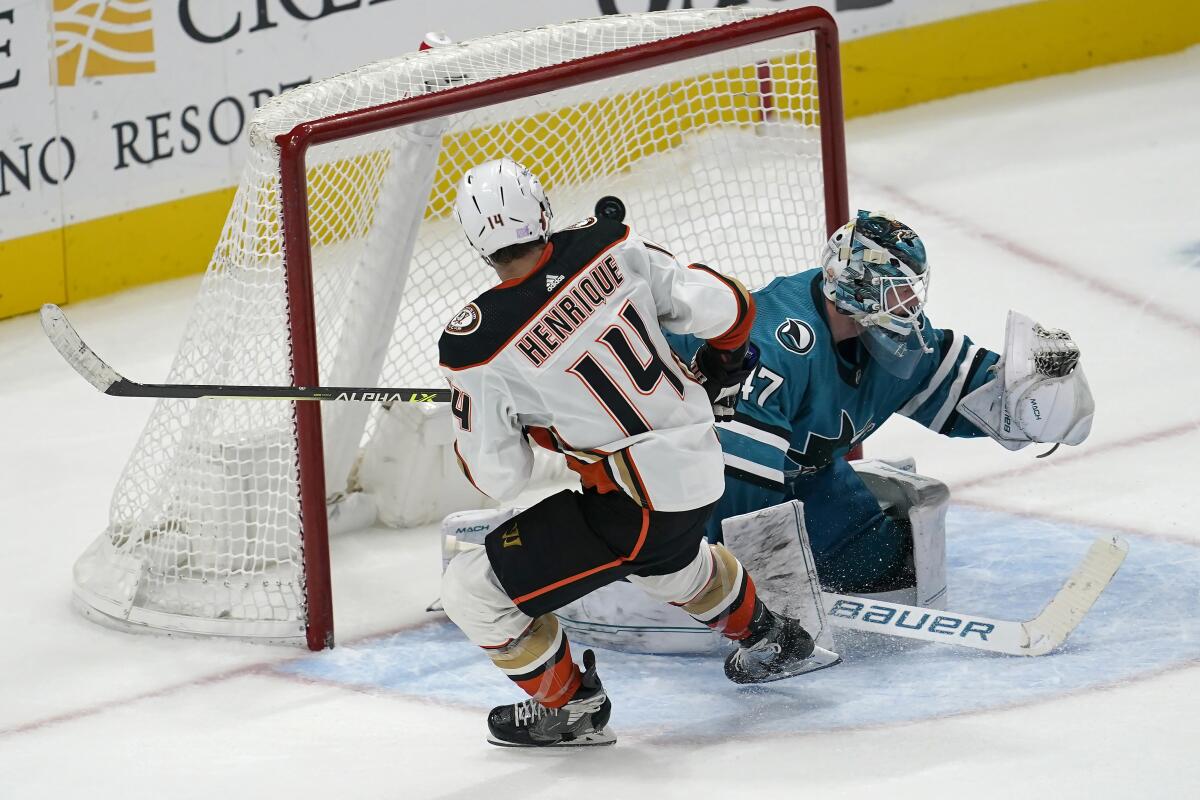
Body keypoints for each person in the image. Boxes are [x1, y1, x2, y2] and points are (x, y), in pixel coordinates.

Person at [436, 158, 839, 749]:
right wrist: (724, 365)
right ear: (542, 210)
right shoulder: (611, 245)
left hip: (633, 499)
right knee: (670, 566)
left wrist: (519, 425)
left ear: (475, 242)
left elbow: (501, 476)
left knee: (471, 589)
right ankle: (773, 636)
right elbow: (730, 307)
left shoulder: (476, 344)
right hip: (701, 464)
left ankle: (572, 709)